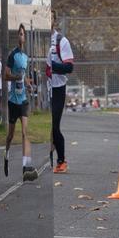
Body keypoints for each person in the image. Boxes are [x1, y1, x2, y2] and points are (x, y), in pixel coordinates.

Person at [3, 24, 39, 181]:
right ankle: (6, 154)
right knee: (11, 135)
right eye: (19, 34)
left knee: (25, 133)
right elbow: (6, 76)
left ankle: (26, 167)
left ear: (25, 38)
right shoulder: (12, 55)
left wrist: (28, 84)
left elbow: (23, 76)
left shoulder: (25, 57)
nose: (21, 36)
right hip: (13, 101)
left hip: (23, 100)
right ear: (16, 37)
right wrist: (15, 77)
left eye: (23, 34)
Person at [49, 11, 75, 173]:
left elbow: (69, 67)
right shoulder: (35, 41)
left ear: (54, 20)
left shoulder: (61, 41)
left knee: (54, 125)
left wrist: (51, 66)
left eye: (50, 17)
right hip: (41, 90)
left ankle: (61, 160)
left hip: (57, 88)